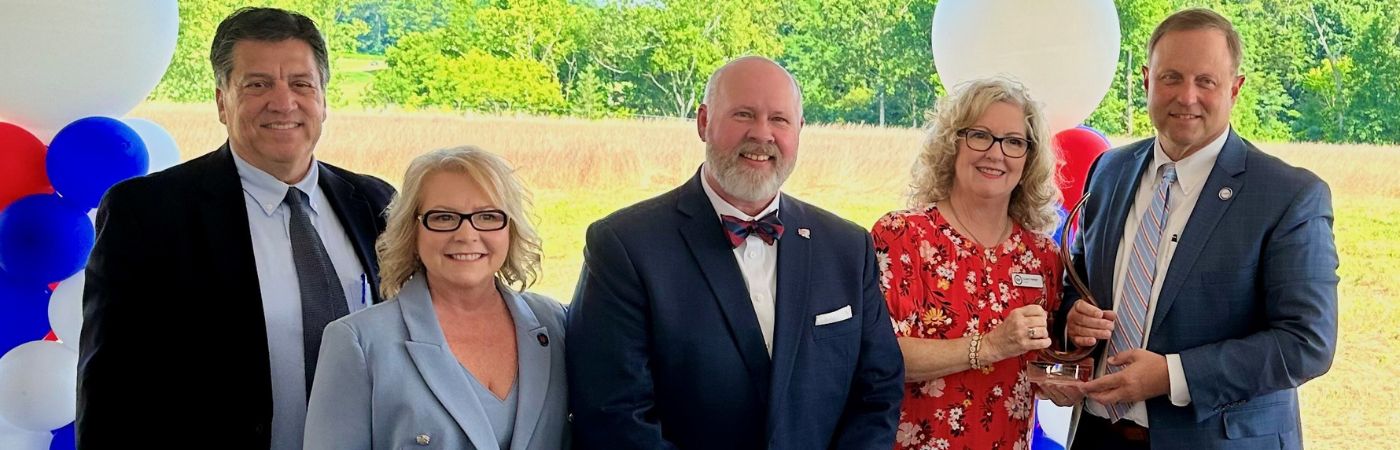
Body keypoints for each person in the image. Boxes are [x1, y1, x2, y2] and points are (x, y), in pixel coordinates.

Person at [77, 7, 395, 448]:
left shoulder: (377, 203)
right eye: (258, 84)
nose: (283, 102)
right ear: (222, 101)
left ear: (323, 98)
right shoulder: (147, 213)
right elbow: (111, 389)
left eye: (301, 84)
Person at [566, 56, 905, 449]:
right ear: (703, 122)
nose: (762, 134)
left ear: (799, 130)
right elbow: (614, 416)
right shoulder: (624, 246)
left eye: (779, 119)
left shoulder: (848, 247)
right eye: (743, 114)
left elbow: (877, 391)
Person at [1047, 8, 1339, 450]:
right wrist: (1073, 316)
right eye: (1171, 77)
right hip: (1096, 433)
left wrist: (1171, 375)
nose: (1186, 96)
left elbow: (1306, 342)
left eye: (1206, 81)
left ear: (1235, 89)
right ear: (1146, 80)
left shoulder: (1289, 196)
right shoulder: (1108, 170)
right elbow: (1079, 282)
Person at [304, 146, 568, 450]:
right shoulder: (358, 342)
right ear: (412, 231)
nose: (467, 235)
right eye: (443, 218)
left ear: (511, 229)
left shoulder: (557, 324)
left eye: (487, 216)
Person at [871, 78, 1063, 450]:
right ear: (952, 144)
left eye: (1013, 141)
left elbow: (1040, 364)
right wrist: (988, 345)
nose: (996, 153)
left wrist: (1065, 382)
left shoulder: (1042, 256)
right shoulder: (902, 236)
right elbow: (882, 356)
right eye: (980, 135)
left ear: (1029, 158)